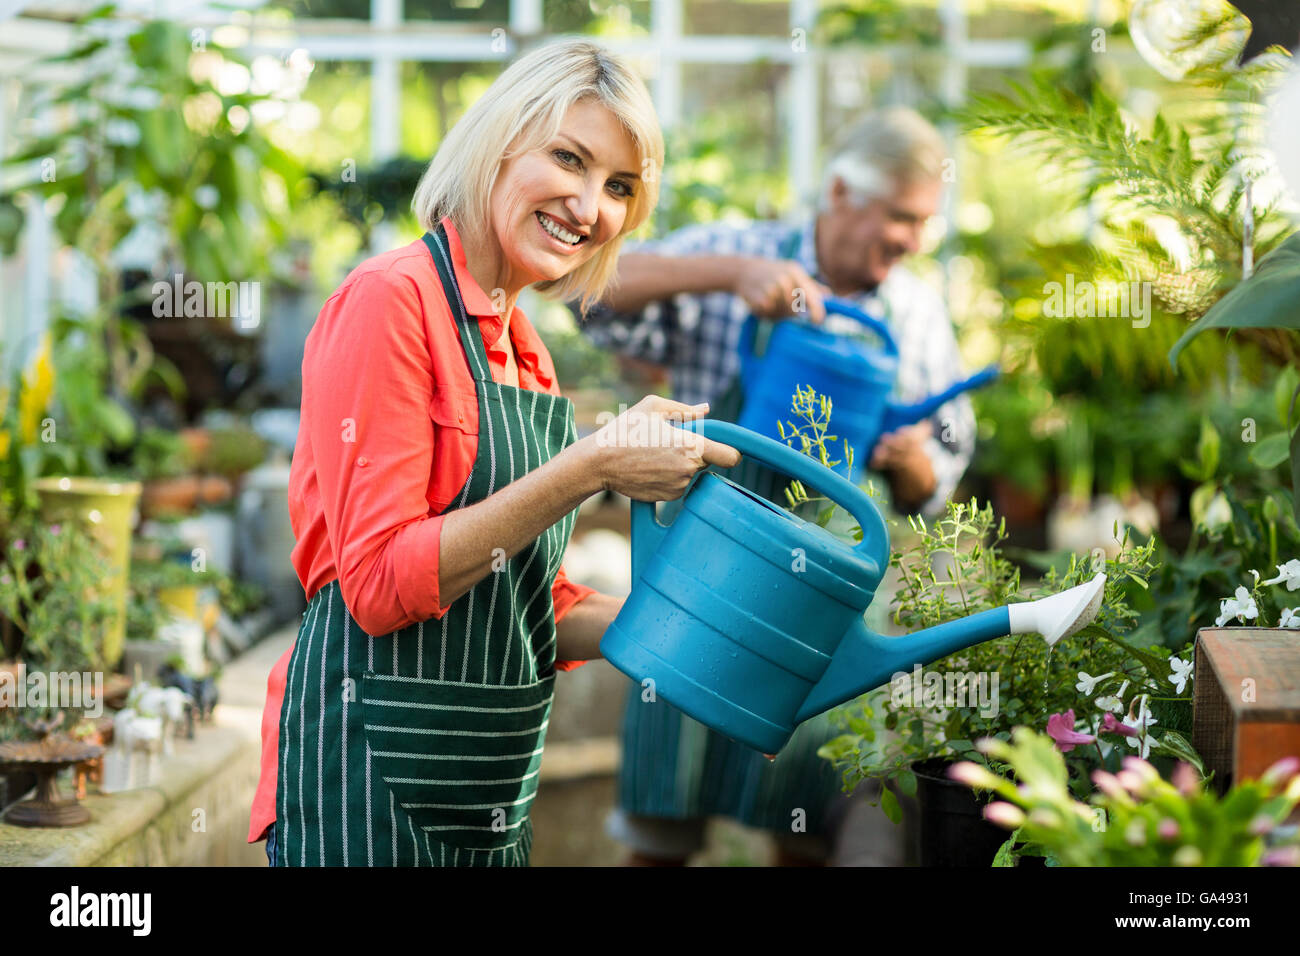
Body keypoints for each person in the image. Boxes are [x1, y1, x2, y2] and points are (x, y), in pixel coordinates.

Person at [246, 38, 739, 867]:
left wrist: (697, 633)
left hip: (485, 796)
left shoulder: (523, 345)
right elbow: (375, 584)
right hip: (365, 790)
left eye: (619, 186)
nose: (590, 206)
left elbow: (522, 598)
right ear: (498, 142)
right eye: (569, 159)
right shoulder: (390, 303)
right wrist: (593, 465)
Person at [575, 107, 976, 865]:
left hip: (814, 602)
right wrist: (734, 279)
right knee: (662, 825)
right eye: (900, 216)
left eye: (924, 223)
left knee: (801, 814)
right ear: (839, 192)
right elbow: (592, 288)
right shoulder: (741, 250)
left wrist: (912, 462)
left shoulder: (916, 312)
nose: (912, 241)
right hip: (702, 577)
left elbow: (940, 474)